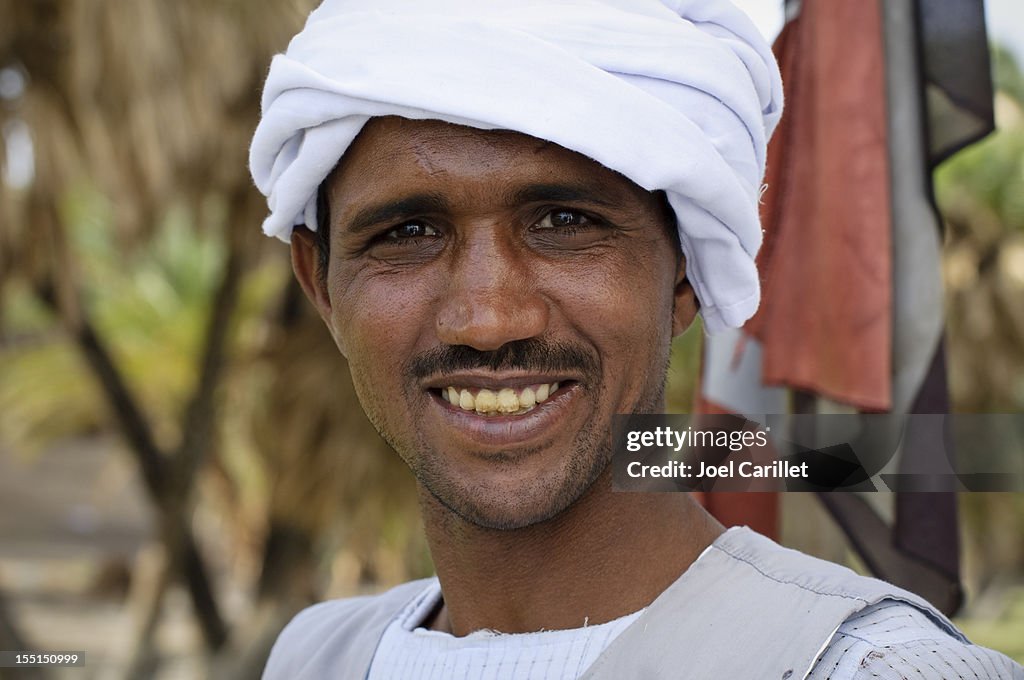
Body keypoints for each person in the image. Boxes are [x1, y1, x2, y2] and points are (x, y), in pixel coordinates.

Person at [249, 1, 1024, 678]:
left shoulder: (875, 668)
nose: (487, 320)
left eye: (564, 223)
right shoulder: (317, 658)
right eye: (408, 232)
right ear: (320, 281)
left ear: (684, 274)